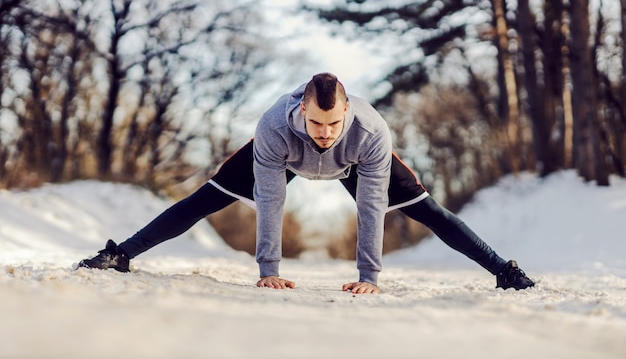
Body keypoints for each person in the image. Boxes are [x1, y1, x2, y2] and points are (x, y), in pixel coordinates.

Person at [79, 73, 535, 294]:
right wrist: (269, 272)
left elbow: (371, 208)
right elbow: (271, 201)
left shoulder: (371, 132)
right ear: (301, 110)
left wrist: (369, 277)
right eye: (316, 122)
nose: (324, 131)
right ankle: (119, 255)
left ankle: (504, 272)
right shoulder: (275, 125)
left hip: (356, 163)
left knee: (429, 212)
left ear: (345, 113)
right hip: (285, 156)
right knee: (205, 199)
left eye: (333, 122)